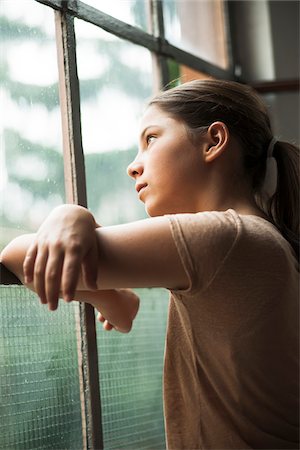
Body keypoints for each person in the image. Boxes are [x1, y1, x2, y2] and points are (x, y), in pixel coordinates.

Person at [1, 79, 299, 449]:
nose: (133, 166)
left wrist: (70, 213)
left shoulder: (226, 237)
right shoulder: (257, 240)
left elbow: (16, 254)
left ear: (214, 141)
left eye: (151, 139)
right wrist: (104, 288)